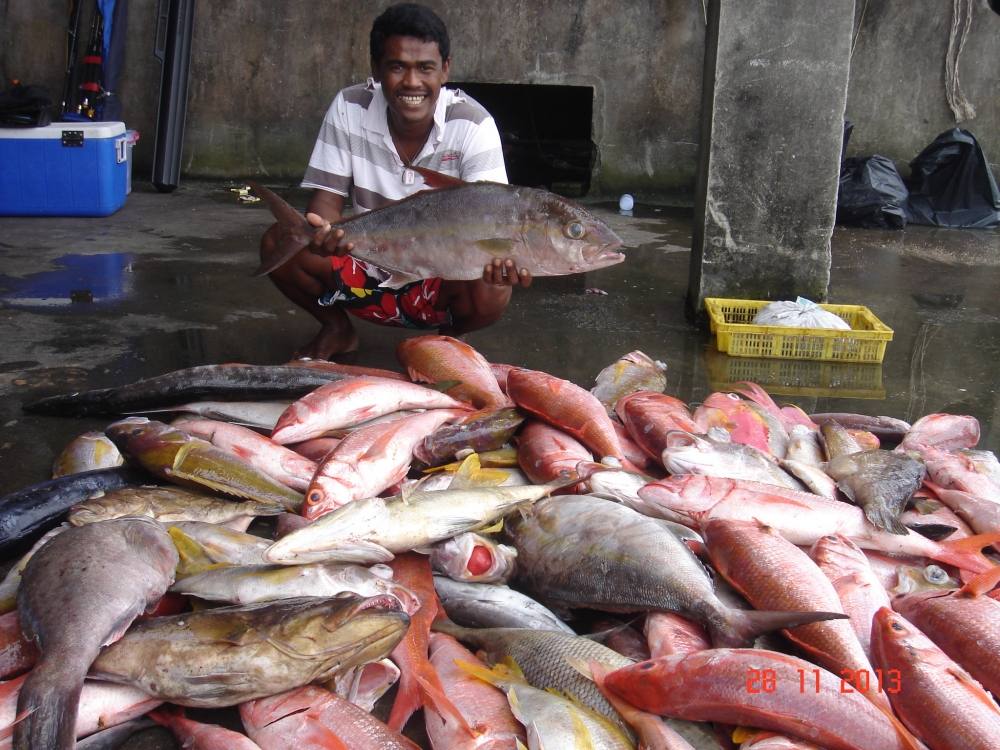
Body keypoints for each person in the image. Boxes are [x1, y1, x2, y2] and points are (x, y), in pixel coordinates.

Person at [259, 3, 532, 359]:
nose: (412, 82)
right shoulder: (349, 106)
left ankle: (447, 343)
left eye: (425, 68)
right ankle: (337, 328)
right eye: (398, 66)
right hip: (365, 262)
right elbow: (324, 207)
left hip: (441, 279)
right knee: (282, 240)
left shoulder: (473, 125)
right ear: (376, 69)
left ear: (445, 70)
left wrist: (502, 269)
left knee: (491, 285)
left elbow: (488, 216)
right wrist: (324, 233)